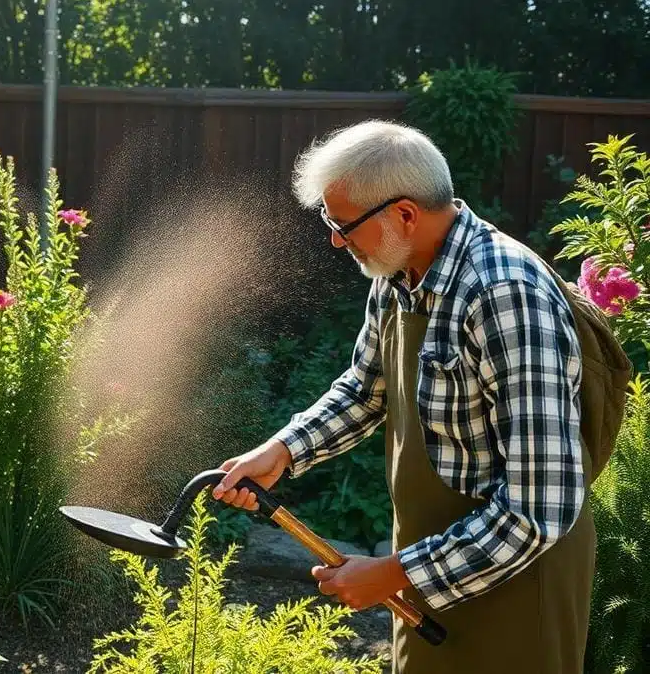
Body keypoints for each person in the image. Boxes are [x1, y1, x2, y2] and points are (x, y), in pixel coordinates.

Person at [211, 120, 595, 673]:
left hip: (517, 582)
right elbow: (367, 391)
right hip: (430, 564)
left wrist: (397, 573)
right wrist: (284, 450)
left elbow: (538, 512)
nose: (335, 239)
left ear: (405, 214)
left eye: (343, 224)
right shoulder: (399, 272)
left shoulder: (505, 296)